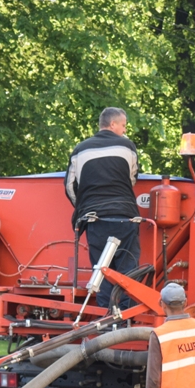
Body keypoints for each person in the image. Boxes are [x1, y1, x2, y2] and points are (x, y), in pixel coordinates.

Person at [65, 106, 141, 310]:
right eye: (123, 125)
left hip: (95, 219)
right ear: (113, 124)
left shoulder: (80, 149)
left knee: (102, 269)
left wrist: (85, 208)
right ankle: (126, 317)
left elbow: (71, 187)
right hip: (125, 217)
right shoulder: (127, 147)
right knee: (128, 268)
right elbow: (132, 178)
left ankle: (105, 318)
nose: (125, 130)